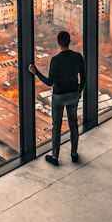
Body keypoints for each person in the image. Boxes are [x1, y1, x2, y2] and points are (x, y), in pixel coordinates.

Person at [28, 30, 86, 166]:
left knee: (56, 126)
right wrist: (79, 91)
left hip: (59, 96)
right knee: (73, 124)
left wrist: (36, 72)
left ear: (58, 43)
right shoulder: (78, 57)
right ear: (69, 41)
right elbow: (83, 78)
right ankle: (74, 154)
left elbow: (49, 82)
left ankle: (55, 156)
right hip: (73, 95)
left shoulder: (56, 60)